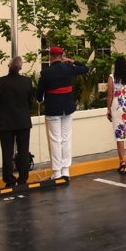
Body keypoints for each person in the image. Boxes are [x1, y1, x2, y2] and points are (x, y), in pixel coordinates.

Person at [36, 47, 89, 180]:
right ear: (61, 56)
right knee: (66, 139)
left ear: (50, 57)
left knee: (55, 140)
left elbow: (39, 92)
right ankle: (66, 170)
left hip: (53, 108)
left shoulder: (46, 72)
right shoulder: (69, 68)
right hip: (68, 107)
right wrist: (71, 61)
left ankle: (57, 172)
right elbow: (85, 68)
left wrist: (39, 99)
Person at [0, 56, 33, 187]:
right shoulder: (27, 82)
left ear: (8, 66)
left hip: (6, 122)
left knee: (7, 152)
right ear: (21, 68)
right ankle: (23, 179)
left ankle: (9, 180)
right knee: (23, 151)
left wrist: (4, 114)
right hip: (23, 121)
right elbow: (30, 103)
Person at [106, 56, 126, 168]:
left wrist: (108, 108)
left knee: (119, 134)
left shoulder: (112, 77)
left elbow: (110, 94)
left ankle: (121, 161)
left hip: (117, 108)